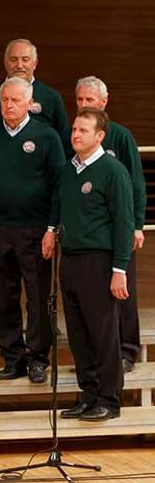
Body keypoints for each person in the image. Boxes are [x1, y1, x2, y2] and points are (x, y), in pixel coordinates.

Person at [0, 77, 65, 384]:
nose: (9, 105)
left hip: (37, 231)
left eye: (15, 100)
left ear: (30, 103)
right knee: (4, 299)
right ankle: (12, 357)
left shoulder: (47, 136)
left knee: (38, 298)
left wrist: (52, 228)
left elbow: (58, 186)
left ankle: (38, 358)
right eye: (5, 100)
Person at [59, 108, 132, 422]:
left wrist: (119, 269)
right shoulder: (68, 170)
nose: (75, 134)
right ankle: (88, 395)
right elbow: (58, 208)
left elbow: (123, 223)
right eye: (74, 129)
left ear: (99, 136)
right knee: (78, 333)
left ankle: (108, 399)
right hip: (71, 260)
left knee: (103, 333)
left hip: (99, 262)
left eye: (83, 130)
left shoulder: (112, 171)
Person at [74, 76, 146, 373]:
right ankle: (98, 356)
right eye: (79, 100)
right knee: (94, 299)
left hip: (120, 229)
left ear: (104, 102)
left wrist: (137, 224)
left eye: (90, 100)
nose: (84, 105)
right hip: (91, 236)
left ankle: (127, 350)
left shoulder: (121, 136)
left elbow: (137, 184)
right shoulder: (78, 137)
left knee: (122, 290)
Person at [0, 38, 69, 142]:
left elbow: (63, 139)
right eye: (13, 59)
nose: (19, 65)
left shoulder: (51, 97)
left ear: (35, 63)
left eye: (25, 59)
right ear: (5, 62)